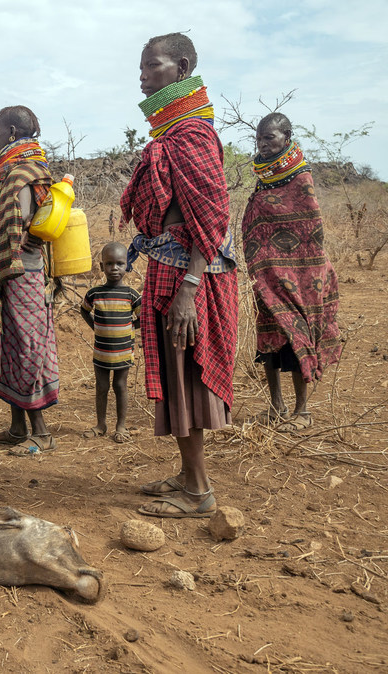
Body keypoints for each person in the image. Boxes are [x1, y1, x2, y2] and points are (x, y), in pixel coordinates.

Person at [121, 33, 238, 518]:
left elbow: (211, 219)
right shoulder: (174, 133)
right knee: (175, 376)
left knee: (185, 375)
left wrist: (189, 288)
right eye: (142, 66)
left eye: (153, 65)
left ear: (183, 68)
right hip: (170, 270)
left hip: (189, 277)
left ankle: (198, 492)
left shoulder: (192, 135)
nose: (142, 75)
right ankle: (189, 475)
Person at [0, 106, 60, 453]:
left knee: (26, 346)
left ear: (10, 132)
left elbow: (20, 226)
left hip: (23, 270)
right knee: (8, 344)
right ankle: (18, 428)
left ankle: (42, 433)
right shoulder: (16, 171)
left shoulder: (22, 173)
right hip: (15, 270)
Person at [243, 112, 341, 431]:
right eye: (259, 139)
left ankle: (302, 411)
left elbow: (311, 230)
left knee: (296, 335)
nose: (262, 144)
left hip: (299, 277)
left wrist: (292, 267)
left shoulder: (301, 178)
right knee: (269, 337)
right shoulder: (264, 177)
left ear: (287, 137)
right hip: (266, 274)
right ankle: (276, 405)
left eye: (269, 137)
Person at [81, 242, 141, 443]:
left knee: (120, 385)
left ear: (127, 265)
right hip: (101, 351)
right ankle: (101, 425)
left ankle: (121, 426)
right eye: (109, 264)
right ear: (101, 266)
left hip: (123, 351)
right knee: (101, 386)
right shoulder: (94, 293)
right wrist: (96, 327)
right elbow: (84, 310)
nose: (114, 268)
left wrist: (129, 328)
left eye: (120, 263)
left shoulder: (132, 295)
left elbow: (143, 317)